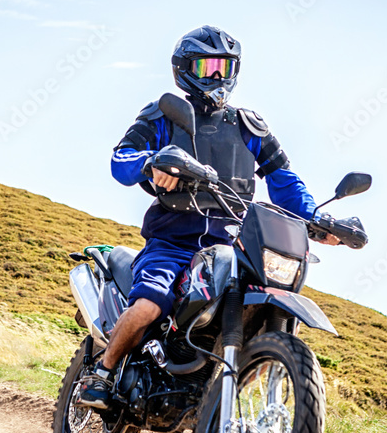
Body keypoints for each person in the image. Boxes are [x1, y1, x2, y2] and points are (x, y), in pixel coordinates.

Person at [79, 25, 338, 410]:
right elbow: (121, 160)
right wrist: (151, 163)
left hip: (230, 244)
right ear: (185, 69)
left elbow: (285, 183)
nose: (217, 76)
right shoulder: (163, 114)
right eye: (207, 67)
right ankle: (102, 370)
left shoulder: (250, 127)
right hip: (172, 241)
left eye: (225, 67)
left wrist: (319, 220)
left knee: (266, 302)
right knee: (151, 302)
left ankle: (225, 405)